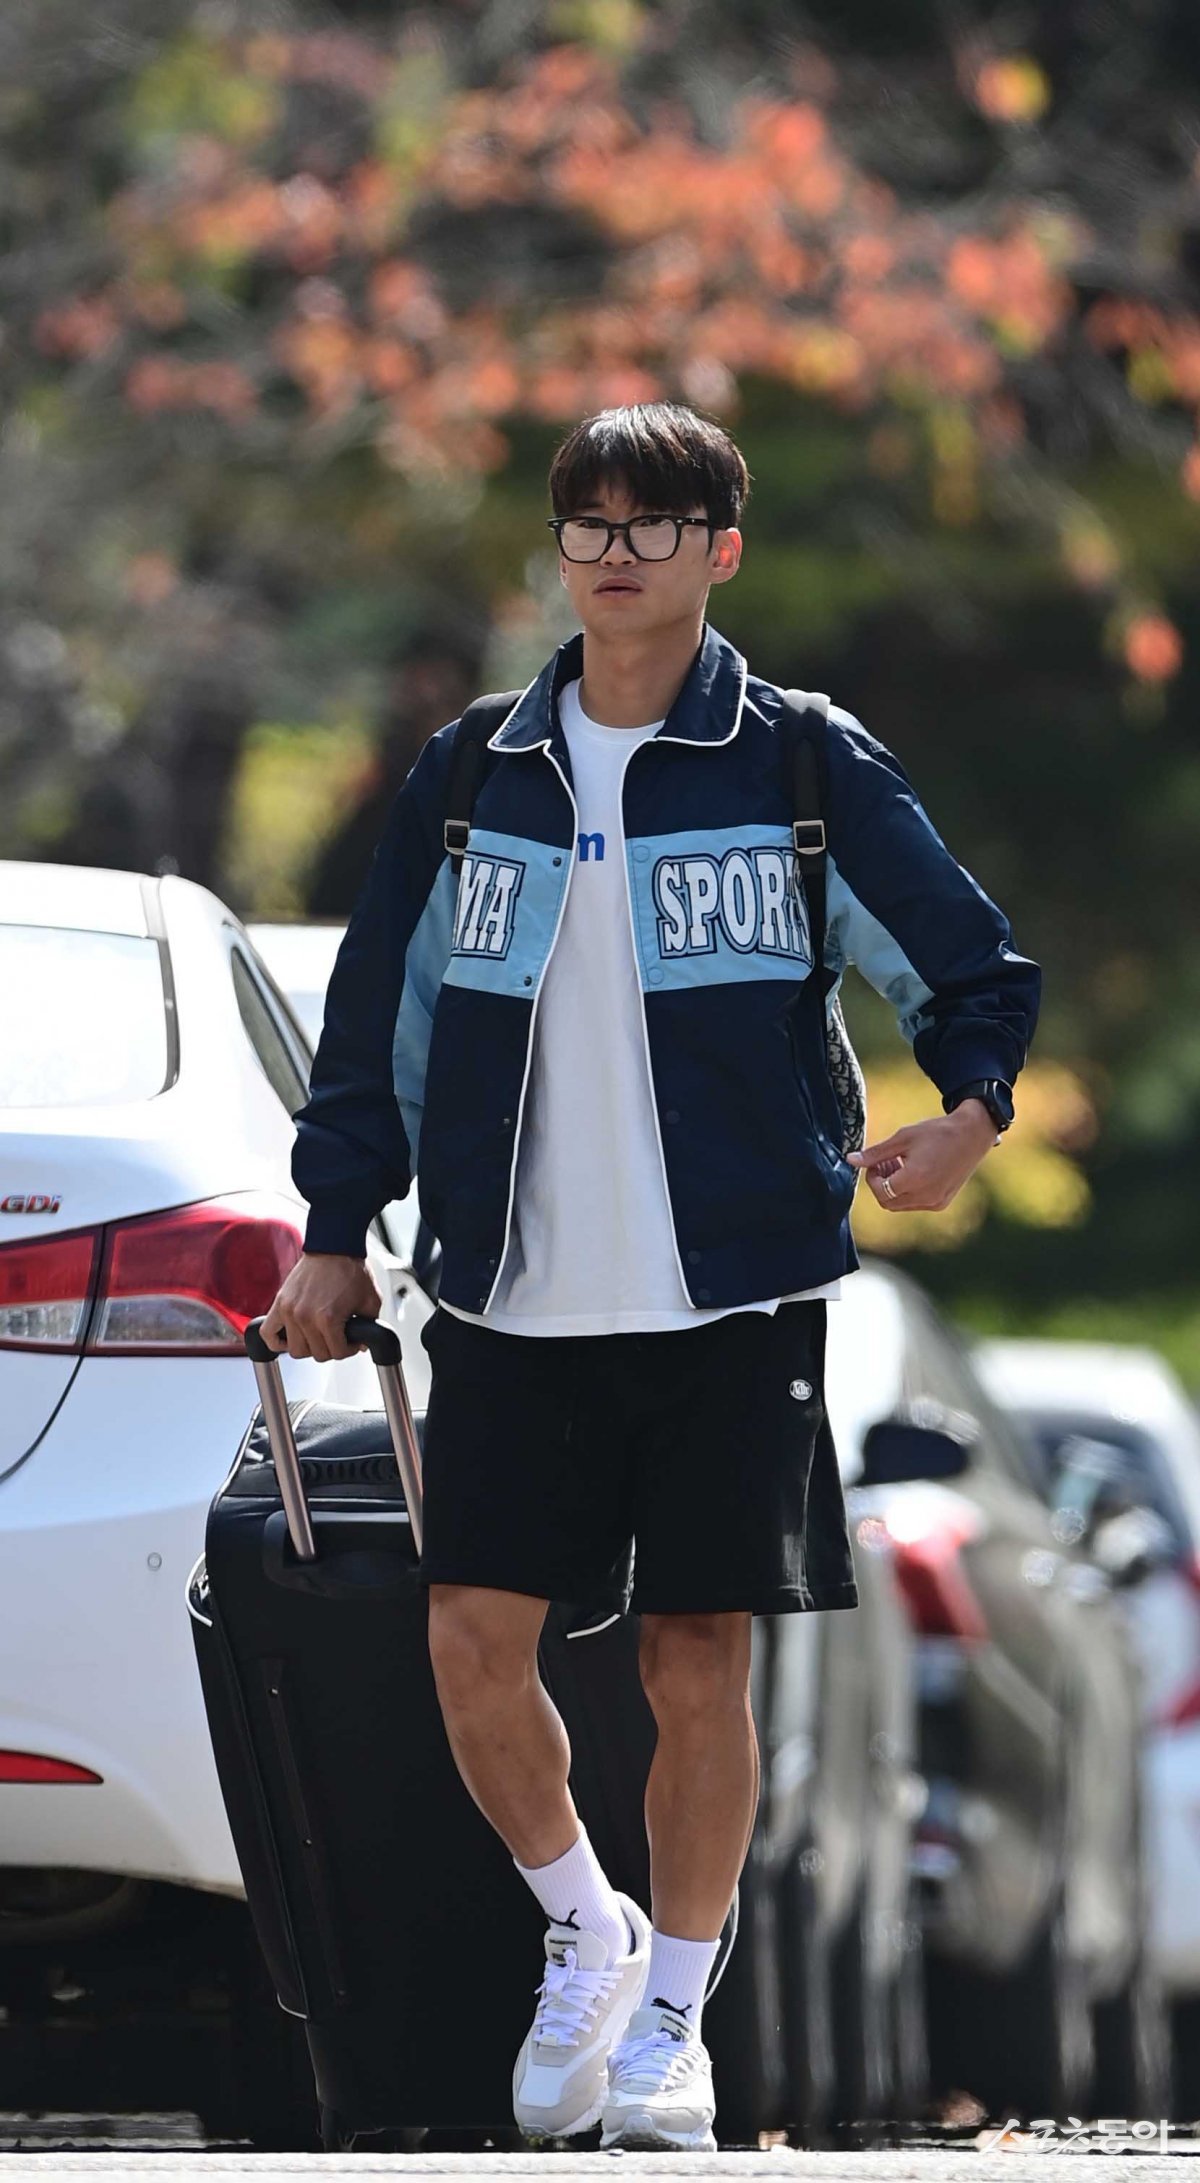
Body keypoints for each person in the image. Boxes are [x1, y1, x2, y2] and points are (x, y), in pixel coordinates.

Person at [261, 400, 1041, 2151]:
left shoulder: (800, 764)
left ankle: (675, 2017)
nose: (615, 552)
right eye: (589, 524)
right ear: (561, 550)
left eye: (654, 523)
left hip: (730, 1298)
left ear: (720, 551)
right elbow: (376, 1024)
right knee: (470, 1648)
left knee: (700, 1668)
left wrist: (967, 1120)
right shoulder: (475, 773)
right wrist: (334, 1232)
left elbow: (970, 965)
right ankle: (588, 1929)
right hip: (507, 1294)